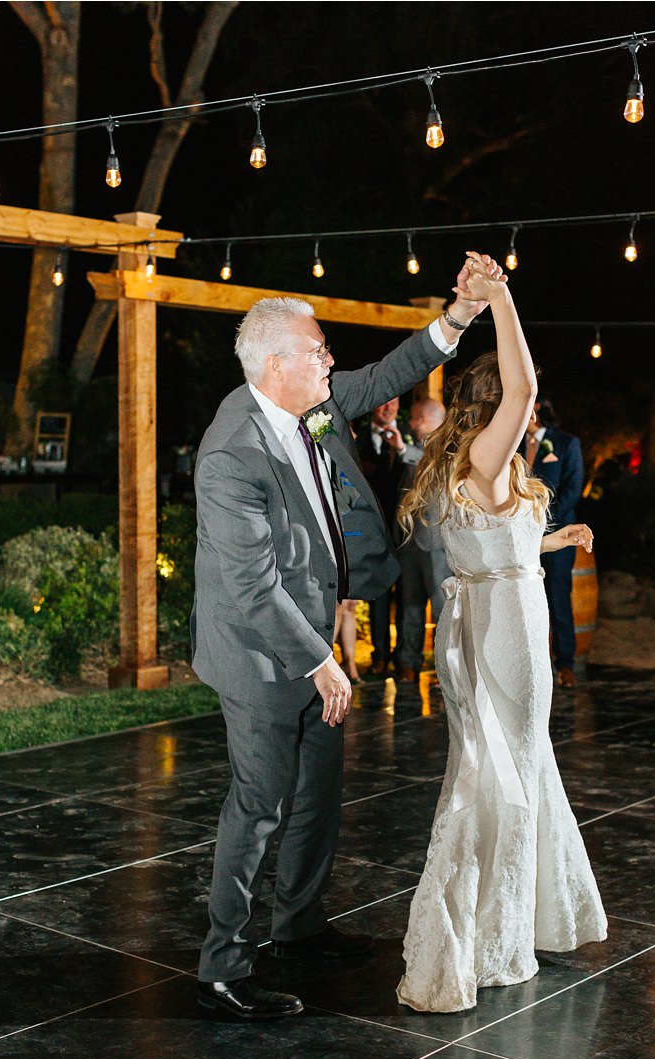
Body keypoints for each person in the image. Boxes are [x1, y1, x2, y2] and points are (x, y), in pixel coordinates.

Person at [190, 255, 497, 1020]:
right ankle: (223, 964)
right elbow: (252, 588)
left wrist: (457, 315)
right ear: (274, 365)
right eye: (319, 349)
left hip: (313, 647)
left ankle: (298, 926)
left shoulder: (314, 407)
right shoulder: (233, 452)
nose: (331, 360)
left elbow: (387, 373)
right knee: (259, 804)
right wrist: (324, 659)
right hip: (261, 657)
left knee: (318, 795)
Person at [394, 257, 606, 1013]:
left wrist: (553, 539)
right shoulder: (483, 455)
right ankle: (486, 938)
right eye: (518, 406)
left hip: (509, 619)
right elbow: (524, 385)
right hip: (499, 635)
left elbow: (495, 547)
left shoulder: (489, 464)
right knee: (501, 770)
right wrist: (502, 295)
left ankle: (516, 921)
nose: (531, 412)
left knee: (515, 760)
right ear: (495, 408)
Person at [526, 396, 584, 687]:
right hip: (521, 537)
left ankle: (565, 664)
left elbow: (573, 488)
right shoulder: (511, 444)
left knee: (558, 598)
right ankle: (532, 666)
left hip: (557, 534)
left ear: (536, 408)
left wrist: (544, 523)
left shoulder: (565, 443)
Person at [393, 398, 451, 682]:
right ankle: (408, 663)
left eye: (416, 418)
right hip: (410, 541)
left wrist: (403, 450)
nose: (412, 422)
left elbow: (424, 461)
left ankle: (445, 669)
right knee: (410, 607)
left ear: (429, 420)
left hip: (437, 543)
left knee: (443, 610)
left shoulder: (447, 449)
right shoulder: (415, 450)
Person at [356, 396, 411, 676]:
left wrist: (401, 448)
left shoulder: (410, 438)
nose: (388, 408)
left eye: (393, 404)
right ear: (374, 407)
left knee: (405, 596)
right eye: (383, 404)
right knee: (377, 595)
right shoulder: (358, 439)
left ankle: (403, 658)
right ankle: (379, 655)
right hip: (374, 531)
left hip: (404, 531)